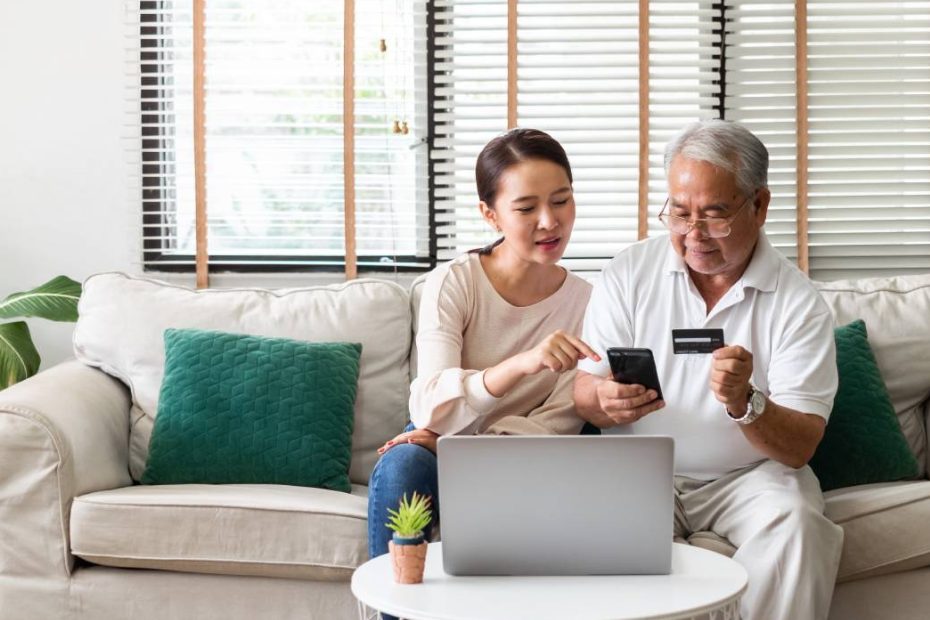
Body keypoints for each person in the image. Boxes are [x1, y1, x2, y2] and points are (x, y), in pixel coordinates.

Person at [573, 119, 843, 620]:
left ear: (759, 206)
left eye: (714, 216)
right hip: (639, 468)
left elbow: (800, 446)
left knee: (800, 523)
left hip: (749, 478)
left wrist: (748, 403)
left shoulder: (799, 302)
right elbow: (583, 390)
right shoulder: (628, 273)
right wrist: (602, 400)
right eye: (679, 213)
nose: (693, 235)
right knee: (592, 532)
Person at [366, 128, 597, 580]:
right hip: (443, 437)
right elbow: (430, 405)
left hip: (529, 451)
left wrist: (465, 449)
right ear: (490, 215)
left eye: (561, 200)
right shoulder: (455, 282)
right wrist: (523, 363)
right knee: (403, 465)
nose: (549, 221)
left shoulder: (590, 301)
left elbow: (561, 421)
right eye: (527, 208)